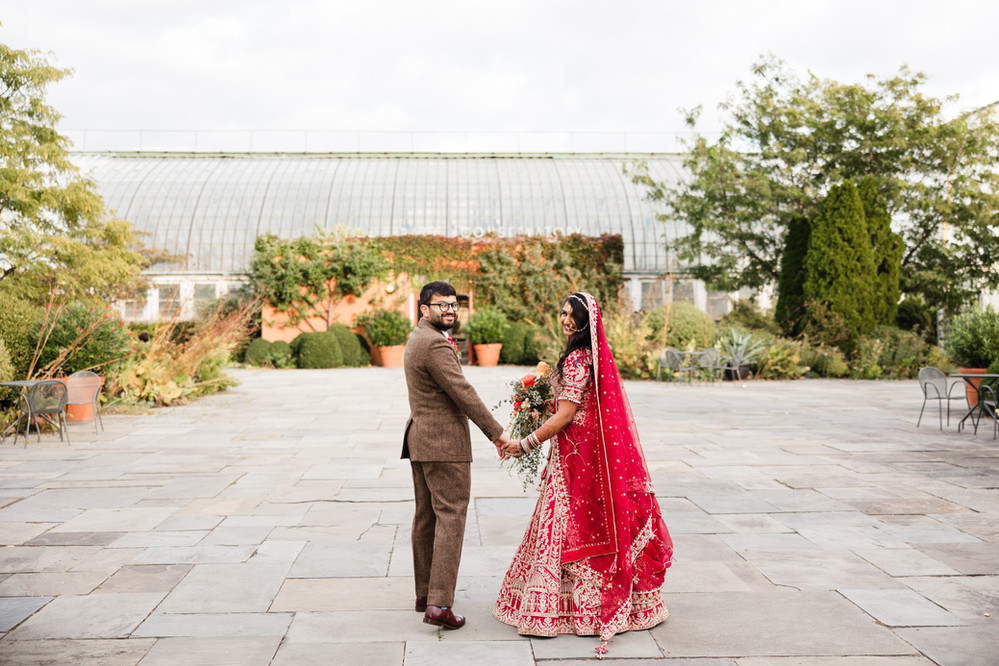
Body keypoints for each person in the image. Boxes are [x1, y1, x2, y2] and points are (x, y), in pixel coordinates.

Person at [494, 291, 673, 650]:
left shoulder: (577, 359)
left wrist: (525, 443)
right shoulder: (590, 356)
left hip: (574, 455)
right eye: (561, 313)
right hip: (583, 450)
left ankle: (559, 610)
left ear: (584, 321)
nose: (564, 319)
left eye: (570, 314)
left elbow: (565, 415)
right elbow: (574, 405)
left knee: (562, 521)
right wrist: (538, 402)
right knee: (582, 519)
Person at [403, 280, 509, 630]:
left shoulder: (419, 337)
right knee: (450, 517)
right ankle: (440, 604)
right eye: (441, 305)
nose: (449, 310)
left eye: (453, 305)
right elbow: (463, 392)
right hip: (443, 443)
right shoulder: (434, 344)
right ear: (424, 309)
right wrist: (497, 433)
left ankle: (424, 593)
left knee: (427, 518)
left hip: (421, 438)